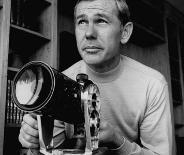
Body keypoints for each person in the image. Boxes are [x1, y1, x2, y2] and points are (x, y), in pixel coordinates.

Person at [18, 0, 173, 154]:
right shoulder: (61, 82)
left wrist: (117, 141)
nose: (89, 33)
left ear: (125, 32)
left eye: (101, 20)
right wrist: (35, 144)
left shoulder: (153, 84)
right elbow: (53, 149)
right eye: (82, 21)